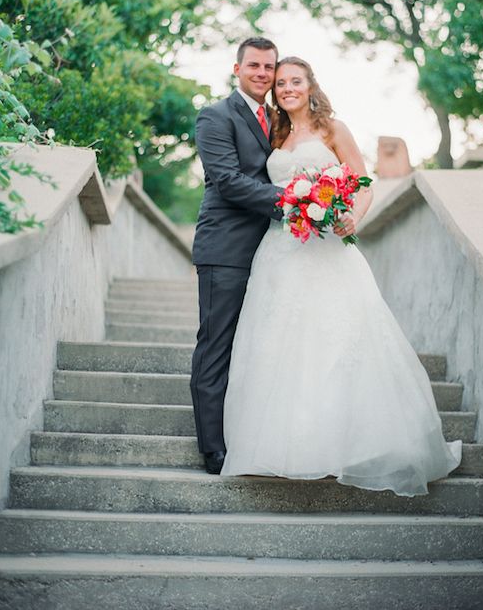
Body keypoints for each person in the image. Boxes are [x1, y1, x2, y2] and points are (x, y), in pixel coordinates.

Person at [220, 56, 462, 496]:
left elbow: (363, 181)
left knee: (334, 339)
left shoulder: (333, 128)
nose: (287, 88)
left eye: (296, 81)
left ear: (312, 85)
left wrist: (352, 218)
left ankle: (340, 448)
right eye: (281, 83)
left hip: (328, 248)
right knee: (277, 344)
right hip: (279, 249)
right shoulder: (274, 131)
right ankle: (279, 450)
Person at [191, 37, 283, 475]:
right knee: (217, 345)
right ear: (237, 68)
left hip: (273, 251)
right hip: (225, 248)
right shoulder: (216, 115)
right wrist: (294, 199)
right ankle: (213, 448)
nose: (262, 73)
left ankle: (253, 433)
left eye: (269, 66)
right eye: (254, 66)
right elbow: (227, 180)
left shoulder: (278, 120)